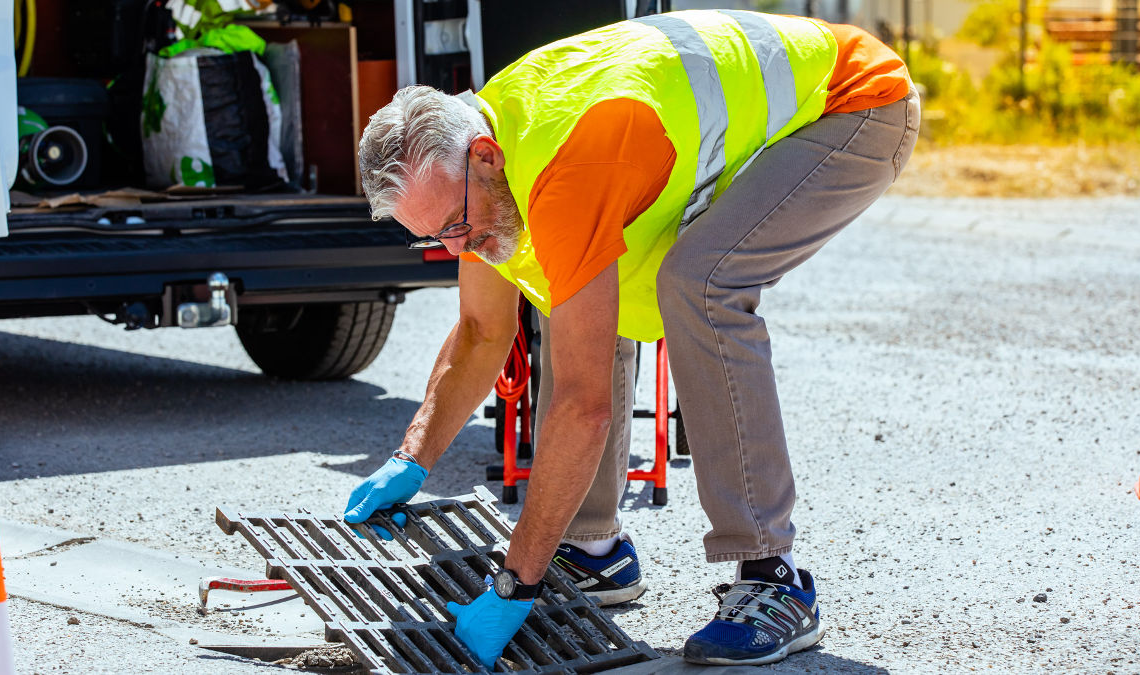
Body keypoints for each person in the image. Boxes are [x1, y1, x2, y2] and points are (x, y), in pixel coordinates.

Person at [346, 8, 918, 669]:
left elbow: (585, 406)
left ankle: (773, 577)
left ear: (485, 155)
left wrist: (514, 584)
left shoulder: (562, 163)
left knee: (700, 284)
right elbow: (482, 329)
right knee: (575, 293)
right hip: (705, 129)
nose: (457, 249)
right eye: (434, 236)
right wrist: (410, 458)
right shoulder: (477, 159)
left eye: (456, 225)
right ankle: (594, 550)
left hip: (854, 104)